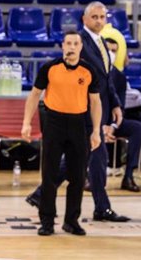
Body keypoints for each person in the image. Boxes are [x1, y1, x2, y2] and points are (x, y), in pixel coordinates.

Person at [21, 31, 101, 236]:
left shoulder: (88, 70)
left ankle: (71, 220)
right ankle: (47, 221)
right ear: (62, 46)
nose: (72, 47)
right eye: (68, 43)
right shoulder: (50, 68)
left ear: (81, 47)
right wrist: (26, 123)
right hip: (53, 122)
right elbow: (34, 95)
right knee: (49, 174)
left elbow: (95, 102)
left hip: (78, 124)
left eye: (76, 43)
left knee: (78, 176)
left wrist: (96, 131)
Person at [78, 1, 130, 222]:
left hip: (102, 106)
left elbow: (107, 78)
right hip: (85, 107)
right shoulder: (81, 41)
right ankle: (102, 207)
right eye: (95, 17)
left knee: (86, 155)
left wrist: (117, 104)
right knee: (94, 156)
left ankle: (41, 194)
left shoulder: (102, 43)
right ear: (85, 19)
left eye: (102, 17)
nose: (99, 20)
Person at [104, 38, 141, 192]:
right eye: (108, 50)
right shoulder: (91, 72)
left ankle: (128, 176)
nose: (111, 54)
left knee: (137, 127)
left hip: (112, 123)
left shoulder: (119, 77)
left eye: (114, 51)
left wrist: (112, 126)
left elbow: (119, 106)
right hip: (92, 122)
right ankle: (89, 176)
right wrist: (100, 126)